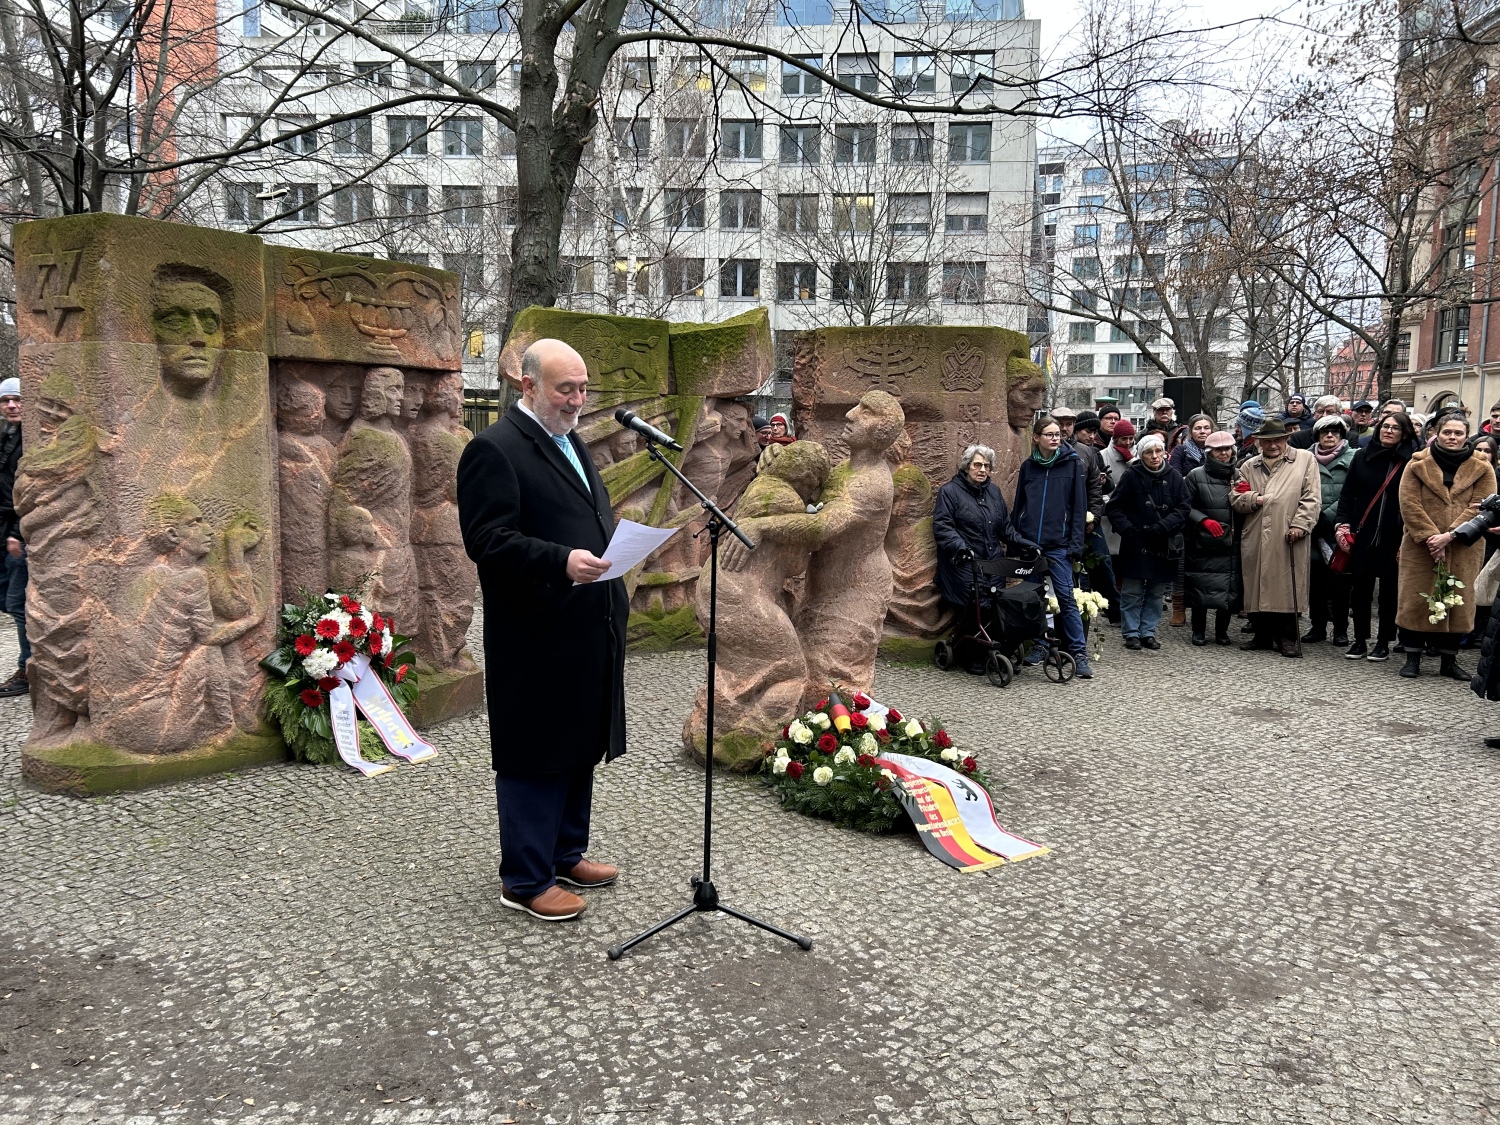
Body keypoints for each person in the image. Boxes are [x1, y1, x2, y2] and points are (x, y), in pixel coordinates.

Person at [456, 338, 627, 923]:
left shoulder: (570, 440)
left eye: (583, 388)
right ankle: (525, 879)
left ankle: (564, 853)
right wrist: (559, 561)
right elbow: (486, 540)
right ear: (527, 386)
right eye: (566, 389)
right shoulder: (494, 449)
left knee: (579, 740)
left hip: (586, 623)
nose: (578, 400)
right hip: (535, 631)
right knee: (537, 749)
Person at [1393, 412, 1496, 679]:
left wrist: (1449, 537)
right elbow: (1409, 503)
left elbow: (1484, 507)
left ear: (1466, 435)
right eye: (1447, 432)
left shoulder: (1482, 466)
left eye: (1458, 433)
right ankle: (1412, 657)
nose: (1452, 437)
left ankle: (1449, 661)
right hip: (1420, 545)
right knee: (1415, 599)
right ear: (1437, 433)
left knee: (1458, 601)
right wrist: (1431, 537)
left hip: (1464, 546)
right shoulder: (1417, 464)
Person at [933, 445, 1030, 671]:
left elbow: (1005, 528)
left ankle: (995, 651)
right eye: (977, 465)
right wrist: (960, 547)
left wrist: (1027, 544)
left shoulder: (994, 492)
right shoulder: (950, 492)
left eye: (986, 466)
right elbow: (943, 526)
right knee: (979, 604)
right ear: (967, 466)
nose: (982, 469)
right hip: (963, 561)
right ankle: (969, 654)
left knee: (999, 603)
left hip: (991, 560)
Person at [1230, 418, 1321, 657]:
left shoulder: (1305, 460)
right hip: (1257, 532)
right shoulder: (1249, 465)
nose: (1273, 445)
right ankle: (1261, 635)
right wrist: (1255, 500)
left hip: (1287, 532)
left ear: (1286, 439)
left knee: (1286, 587)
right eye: (1267, 441)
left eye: (1278, 440)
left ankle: (1287, 637)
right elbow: (1236, 497)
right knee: (1257, 585)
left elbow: (1312, 497)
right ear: (1259, 442)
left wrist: (1301, 525)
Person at [1011, 415, 1093, 678]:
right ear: (1036, 438)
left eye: (1058, 433)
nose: (1055, 437)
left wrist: (1075, 546)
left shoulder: (1072, 464)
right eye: (1049, 434)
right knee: (1034, 598)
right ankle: (1040, 644)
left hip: (1059, 544)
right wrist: (1017, 539)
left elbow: (1079, 508)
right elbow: (1019, 505)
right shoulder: (1029, 466)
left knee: (1066, 598)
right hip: (1031, 543)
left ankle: (1079, 654)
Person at [1336, 410, 1417, 660]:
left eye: (1395, 428)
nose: (1388, 431)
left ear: (1404, 434)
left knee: (1389, 592)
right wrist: (1342, 524)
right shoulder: (1362, 456)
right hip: (1364, 531)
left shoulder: (1412, 461)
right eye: (1385, 426)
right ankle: (1359, 639)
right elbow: (1347, 494)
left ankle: (1383, 641)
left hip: (1396, 534)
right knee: (1360, 589)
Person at [1106, 434, 1189, 650]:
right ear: (1141, 455)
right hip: (1136, 542)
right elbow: (1114, 507)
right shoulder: (1131, 476)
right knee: (1132, 590)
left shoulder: (1175, 477)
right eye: (1149, 452)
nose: (1154, 456)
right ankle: (1131, 632)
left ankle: (1148, 631)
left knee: (1156, 592)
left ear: (1164, 452)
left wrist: (1165, 525)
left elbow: (1184, 507)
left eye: (1158, 451)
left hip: (1163, 542)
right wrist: (1127, 529)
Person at [1303, 414, 1356, 645]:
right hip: (1313, 529)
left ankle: (1341, 629)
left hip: (1339, 530)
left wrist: (1328, 516)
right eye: (1325, 432)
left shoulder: (1355, 457)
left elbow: (1355, 493)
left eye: (1335, 432)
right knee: (1315, 583)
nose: (1330, 436)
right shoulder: (1305, 458)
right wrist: (1311, 518)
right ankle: (1318, 626)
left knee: (1341, 584)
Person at [1184, 431, 1239, 645]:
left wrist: (1244, 497)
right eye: (1219, 449)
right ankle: (1198, 630)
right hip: (1203, 539)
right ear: (1209, 452)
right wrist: (1202, 520)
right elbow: (1185, 505)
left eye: (1227, 449)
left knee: (1227, 587)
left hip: (1229, 540)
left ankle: (1222, 632)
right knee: (1201, 585)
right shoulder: (1195, 475)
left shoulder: (1239, 474)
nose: (1224, 453)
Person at [0, 377, 26, 699]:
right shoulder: (8, 436)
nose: (11, 406)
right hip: (5, 532)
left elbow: (36, 492)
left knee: (19, 603)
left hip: (20, 536)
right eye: (5, 401)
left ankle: (29, 668)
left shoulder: (35, 440)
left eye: (17, 399)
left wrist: (17, 533)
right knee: (8, 600)